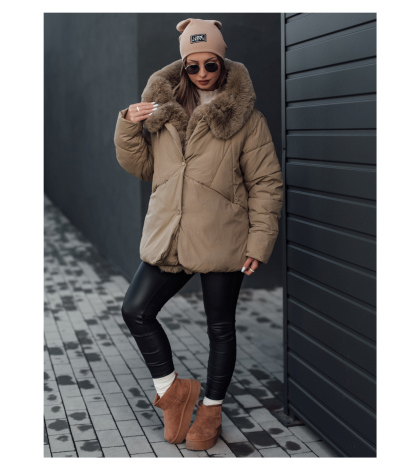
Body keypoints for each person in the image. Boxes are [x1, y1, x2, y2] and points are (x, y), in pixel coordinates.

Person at [113, 18, 283, 452]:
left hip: (224, 235)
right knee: (135, 310)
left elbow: (266, 183)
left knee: (219, 327)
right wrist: (129, 124)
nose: (203, 73)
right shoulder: (163, 112)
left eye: (212, 64)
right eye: (193, 65)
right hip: (170, 233)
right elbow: (143, 167)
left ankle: (211, 408)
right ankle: (172, 392)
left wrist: (260, 241)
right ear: (183, 66)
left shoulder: (247, 119)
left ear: (223, 63)